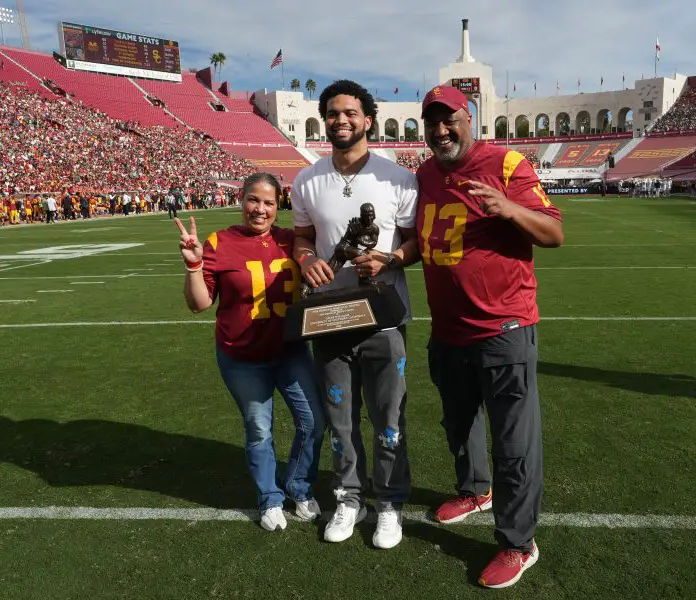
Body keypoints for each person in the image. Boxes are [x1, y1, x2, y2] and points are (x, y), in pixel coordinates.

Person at [416, 85, 564, 589]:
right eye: (431, 122)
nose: (441, 131)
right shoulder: (425, 173)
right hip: (448, 329)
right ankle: (476, 489)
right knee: (458, 423)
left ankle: (518, 543)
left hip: (503, 329)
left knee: (514, 443)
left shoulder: (505, 165)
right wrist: (394, 258)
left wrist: (509, 210)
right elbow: (430, 240)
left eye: (449, 120)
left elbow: (552, 233)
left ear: (469, 117)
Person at [291, 79, 419, 549]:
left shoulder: (398, 177)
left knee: (389, 415)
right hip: (329, 317)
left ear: (368, 119)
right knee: (340, 419)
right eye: (333, 113)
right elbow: (302, 238)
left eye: (350, 113)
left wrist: (392, 259)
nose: (341, 120)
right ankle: (349, 496)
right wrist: (306, 260)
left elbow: (415, 242)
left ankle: (388, 503)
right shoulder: (307, 179)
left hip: (383, 316)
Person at [175, 172, 325, 532]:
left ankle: (298, 487)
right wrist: (194, 264)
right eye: (254, 200)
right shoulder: (220, 242)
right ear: (242, 200)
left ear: (279, 206)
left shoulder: (292, 241)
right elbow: (198, 304)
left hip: (290, 352)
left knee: (314, 422)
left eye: (269, 202)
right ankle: (269, 498)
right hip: (242, 356)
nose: (260, 209)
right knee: (259, 429)